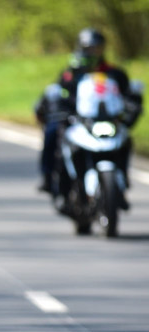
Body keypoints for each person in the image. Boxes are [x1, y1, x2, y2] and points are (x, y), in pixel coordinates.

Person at [35, 28, 142, 206]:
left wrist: (132, 107)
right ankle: (50, 179)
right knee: (52, 133)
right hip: (79, 121)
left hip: (106, 120)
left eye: (97, 48)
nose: (94, 52)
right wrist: (61, 110)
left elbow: (127, 96)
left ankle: (121, 183)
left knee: (125, 141)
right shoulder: (71, 73)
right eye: (90, 48)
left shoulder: (114, 73)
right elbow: (60, 95)